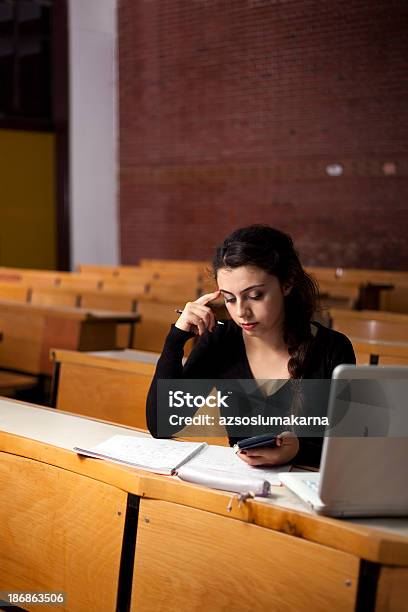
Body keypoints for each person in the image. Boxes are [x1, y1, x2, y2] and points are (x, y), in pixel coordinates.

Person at [146, 225, 355, 468]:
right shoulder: (221, 341)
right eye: (229, 299)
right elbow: (162, 424)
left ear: (286, 284)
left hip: (308, 493)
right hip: (240, 489)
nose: (241, 312)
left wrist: (297, 450)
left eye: (255, 296)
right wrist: (177, 338)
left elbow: (346, 449)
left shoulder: (332, 349)